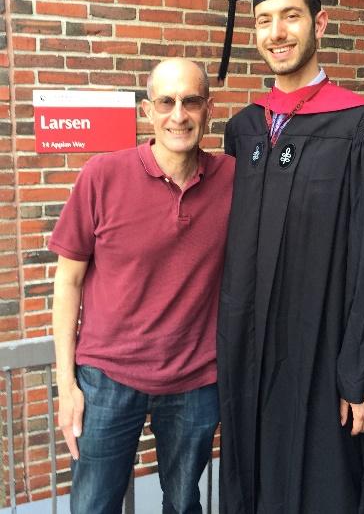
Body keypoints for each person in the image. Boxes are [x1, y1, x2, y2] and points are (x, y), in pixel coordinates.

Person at [216, 0, 364, 513]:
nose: (276, 32)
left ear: (320, 23)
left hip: (326, 362)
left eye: (291, 15)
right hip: (250, 360)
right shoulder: (244, 130)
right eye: (263, 19)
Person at [49, 58, 235, 514]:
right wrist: (66, 384)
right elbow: (68, 281)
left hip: (195, 379)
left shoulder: (234, 179)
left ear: (208, 109)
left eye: (191, 101)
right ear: (147, 111)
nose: (179, 115)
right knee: (94, 505)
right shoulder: (102, 175)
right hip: (106, 378)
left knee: (183, 502)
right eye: (166, 102)